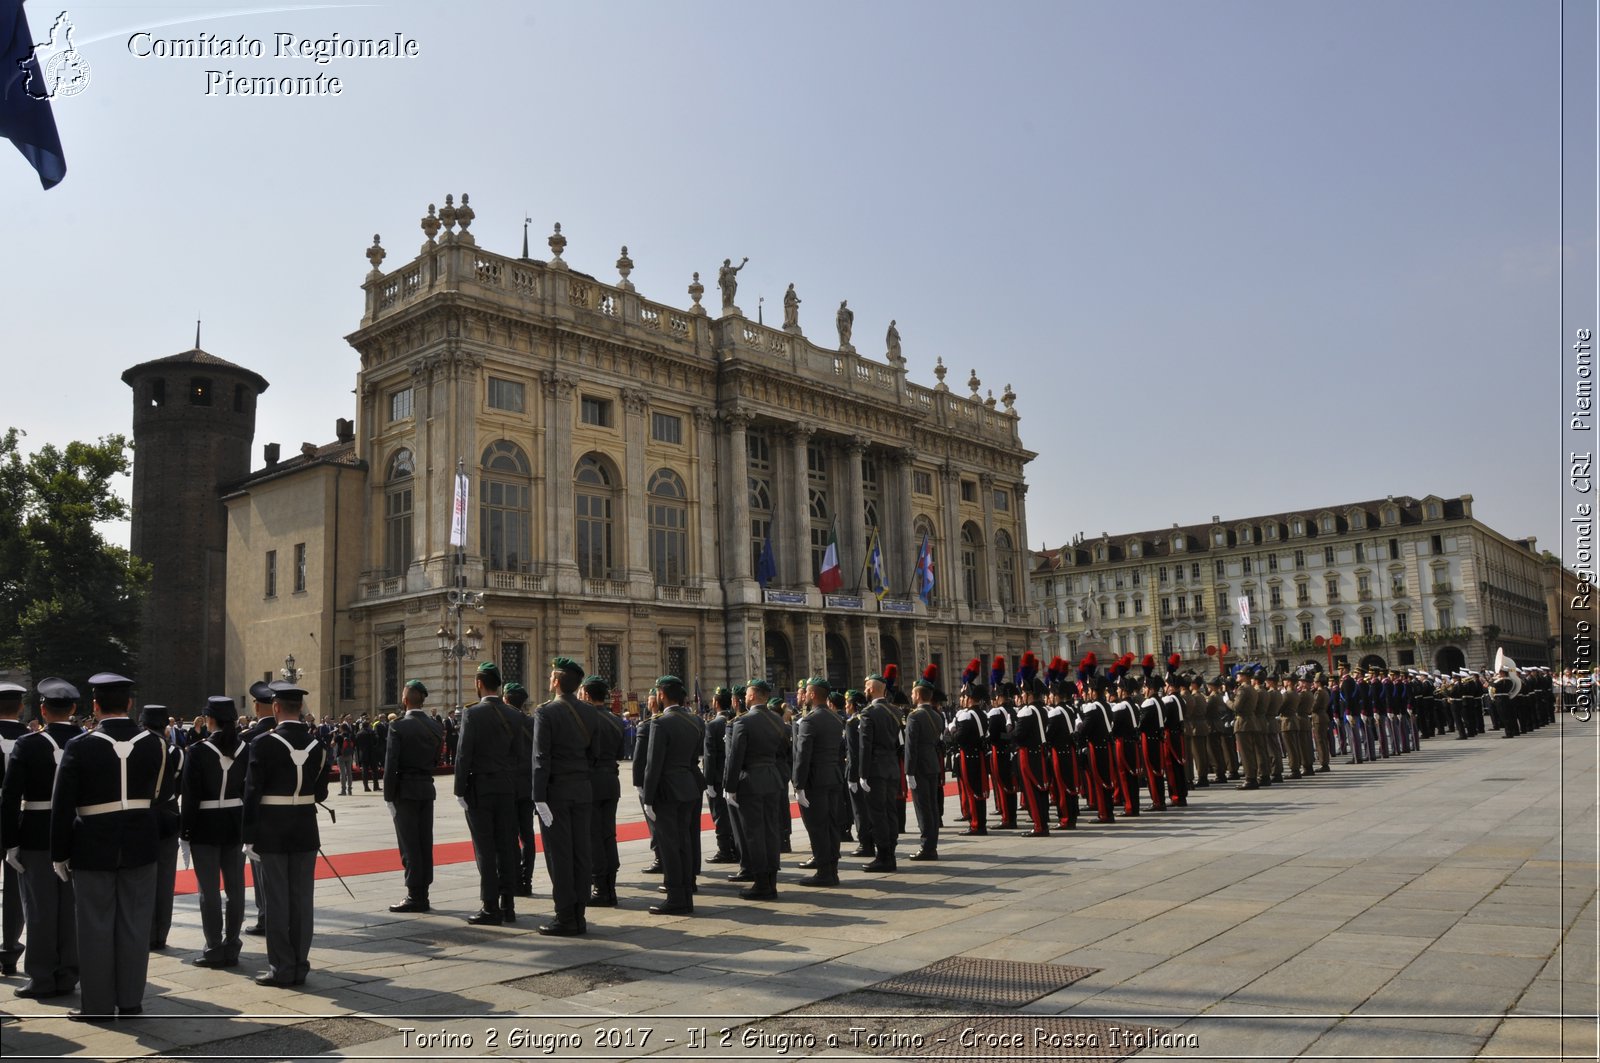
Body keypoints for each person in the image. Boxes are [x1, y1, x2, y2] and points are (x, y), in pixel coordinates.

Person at [49, 672, 172, 1022]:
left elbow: (63, 806)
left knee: (94, 927)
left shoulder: (80, 745)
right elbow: (160, 797)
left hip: (93, 845)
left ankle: (98, 1005)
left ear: (95, 705)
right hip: (140, 844)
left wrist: (59, 853)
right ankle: (131, 1000)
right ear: (130, 704)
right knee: (134, 925)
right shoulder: (156, 744)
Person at [242, 682, 331, 988]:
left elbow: (252, 793)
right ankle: (300, 964)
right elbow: (320, 791)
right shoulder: (318, 746)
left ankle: (281, 966)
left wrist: (249, 836)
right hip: (305, 829)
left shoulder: (263, 744)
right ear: (300, 709)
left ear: (276, 707)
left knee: (277, 900)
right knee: (302, 901)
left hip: (273, 830)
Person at [1, 678, 81, 997]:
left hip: (36, 829)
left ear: (43, 710)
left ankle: (42, 976)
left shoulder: (30, 744)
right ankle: (68, 973)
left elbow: (10, 797)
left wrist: (11, 841)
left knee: (39, 908)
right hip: (75, 830)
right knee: (70, 906)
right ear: (74, 709)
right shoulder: (88, 740)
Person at [531, 657, 604, 935]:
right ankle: (580, 913)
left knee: (559, 854)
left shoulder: (546, 712)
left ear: (557, 682)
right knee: (581, 852)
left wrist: (538, 797)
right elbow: (595, 754)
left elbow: (541, 758)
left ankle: (564, 916)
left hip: (556, 793)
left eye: (551, 677)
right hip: (582, 790)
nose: (550, 681)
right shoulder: (590, 712)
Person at [453, 663, 522, 925]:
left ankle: (490, 907)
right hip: (506, 787)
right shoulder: (514, 715)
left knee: (485, 848)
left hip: (480, 789)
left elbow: (463, 755)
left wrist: (460, 789)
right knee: (506, 845)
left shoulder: (473, 714)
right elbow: (518, 755)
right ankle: (509, 905)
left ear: (480, 683)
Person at [181, 696, 247, 968]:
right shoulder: (246, 748)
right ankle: (232, 944)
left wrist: (185, 830)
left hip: (205, 826)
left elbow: (190, 795)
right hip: (236, 823)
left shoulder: (197, 751)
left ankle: (214, 947)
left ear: (209, 720)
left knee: (208, 890)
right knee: (236, 889)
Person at [640, 675, 705, 915]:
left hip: (667, 791)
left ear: (662, 695)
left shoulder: (660, 723)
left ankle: (676, 897)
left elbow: (653, 764)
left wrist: (648, 798)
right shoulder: (695, 721)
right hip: (688, 787)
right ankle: (686, 892)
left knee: (669, 845)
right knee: (685, 842)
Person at [724, 680, 788, 900]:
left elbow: (735, 758)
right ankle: (771, 880)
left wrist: (729, 787)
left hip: (750, 781)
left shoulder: (744, 722)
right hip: (772, 779)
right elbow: (783, 753)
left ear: (751, 696)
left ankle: (761, 883)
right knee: (771, 831)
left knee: (754, 833)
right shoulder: (778, 720)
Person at [385, 680, 443, 914]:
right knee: (424, 842)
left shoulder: (398, 726)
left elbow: (391, 765)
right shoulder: (435, 726)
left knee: (409, 844)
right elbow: (437, 760)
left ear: (406, 699)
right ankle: (424, 893)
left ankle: (414, 895)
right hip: (426, 789)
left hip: (405, 791)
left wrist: (389, 797)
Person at [792, 677, 845, 886]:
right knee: (831, 825)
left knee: (817, 826)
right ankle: (832, 869)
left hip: (815, 781)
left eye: (805, 692)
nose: (803, 695)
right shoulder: (835, 718)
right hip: (833, 777)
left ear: (813, 694)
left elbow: (802, 755)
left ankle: (824, 872)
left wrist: (798, 784)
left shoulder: (809, 720)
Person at [142, 704, 184, 950]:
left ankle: (147, 931)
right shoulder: (177, 752)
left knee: (144, 878)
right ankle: (161, 932)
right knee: (166, 878)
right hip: (169, 813)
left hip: (144, 816)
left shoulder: (141, 749)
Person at [584, 675, 626, 908]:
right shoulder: (616, 720)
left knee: (593, 836)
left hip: (591, 782)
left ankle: (600, 888)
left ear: (587, 695)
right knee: (609, 835)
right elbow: (620, 753)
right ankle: (610, 885)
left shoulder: (585, 719)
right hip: (612, 781)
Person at [240, 680, 277, 936]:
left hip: (260, 814)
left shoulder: (250, 738)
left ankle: (266, 916)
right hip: (288, 813)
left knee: (260, 866)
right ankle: (280, 912)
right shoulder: (290, 733)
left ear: (257, 705)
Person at [856, 673, 903, 871]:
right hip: (892, 767)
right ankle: (890, 852)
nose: (864, 690)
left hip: (875, 769)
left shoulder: (868, 713)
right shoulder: (896, 711)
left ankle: (883, 856)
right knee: (890, 811)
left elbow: (865, 747)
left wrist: (863, 774)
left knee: (877, 814)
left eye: (866, 686)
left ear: (873, 689)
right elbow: (900, 743)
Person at [0, 681, 28, 977]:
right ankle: (9, 950)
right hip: (21, 818)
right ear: (20, 707)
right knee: (14, 889)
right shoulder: (34, 739)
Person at [502, 683, 538, 898]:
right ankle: (527, 881)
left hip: (507, 785)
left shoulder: (504, 721)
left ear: (506, 699)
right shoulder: (533, 723)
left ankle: (515, 879)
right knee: (527, 835)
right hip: (528, 786)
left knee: (510, 834)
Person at [904, 676, 945, 858]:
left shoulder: (914, 717)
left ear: (919, 695)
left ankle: (927, 847)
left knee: (923, 807)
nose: (911, 695)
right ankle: (932, 844)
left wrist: (908, 771)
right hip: (933, 764)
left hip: (919, 766)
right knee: (932, 807)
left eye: (913, 692)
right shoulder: (937, 715)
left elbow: (910, 747)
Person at [703, 688, 738, 864]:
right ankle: (737, 847)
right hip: (734, 774)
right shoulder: (736, 721)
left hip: (717, 777)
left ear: (716, 703)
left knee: (719, 815)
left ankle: (725, 850)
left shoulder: (712, 725)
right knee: (733, 813)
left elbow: (709, 756)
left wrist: (708, 781)